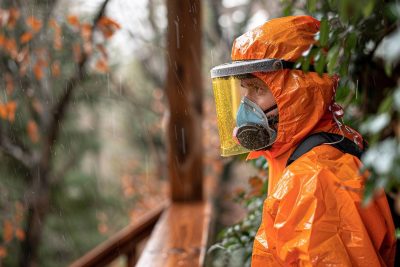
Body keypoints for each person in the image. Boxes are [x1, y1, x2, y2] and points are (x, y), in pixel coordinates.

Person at [210, 16, 396, 266]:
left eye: (259, 89)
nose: (246, 104)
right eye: (246, 89)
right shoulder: (318, 148)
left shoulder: (314, 179)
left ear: (298, 90)